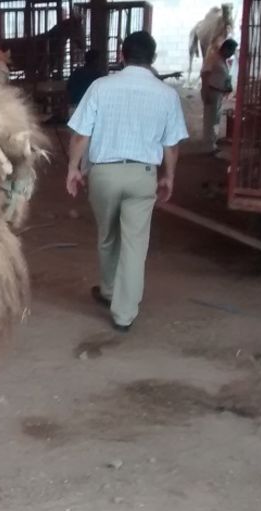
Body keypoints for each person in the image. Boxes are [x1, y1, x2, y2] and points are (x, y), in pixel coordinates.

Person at [65, 31, 189, 332]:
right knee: (134, 245)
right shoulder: (167, 94)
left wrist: (73, 168)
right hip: (142, 175)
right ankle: (124, 314)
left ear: (121, 56)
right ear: (153, 59)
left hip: (104, 174)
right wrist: (169, 176)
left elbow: (82, 134)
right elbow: (171, 145)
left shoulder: (100, 87)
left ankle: (108, 291)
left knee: (108, 236)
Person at [200, 38, 238, 152]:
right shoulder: (213, 58)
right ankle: (208, 146)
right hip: (212, 91)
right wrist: (205, 91)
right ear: (226, 49)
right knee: (210, 119)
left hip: (218, 92)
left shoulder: (221, 59)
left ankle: (212, 143)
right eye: (231, 51)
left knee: (215, 119)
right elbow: (205, 74)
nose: (231, 55)